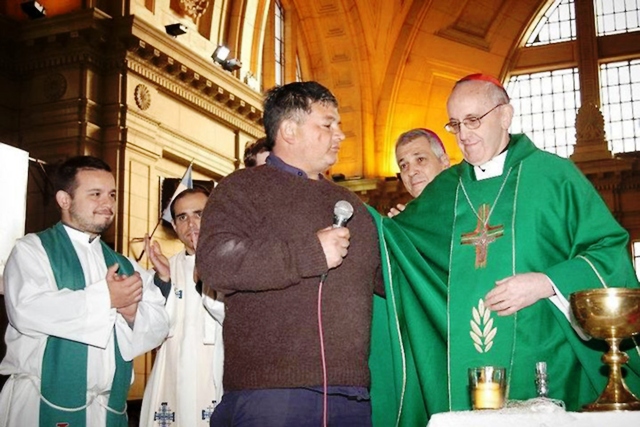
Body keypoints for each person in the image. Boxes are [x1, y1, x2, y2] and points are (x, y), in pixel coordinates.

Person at [369, 74, 640, 425]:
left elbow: (608, 248)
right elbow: (397, 247)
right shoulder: (443, 192)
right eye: (455, 124)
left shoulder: (553, 176)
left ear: (505, 115)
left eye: (473, 120)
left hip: (547, 352)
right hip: (462, 369)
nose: (463, 135)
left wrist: (547, 282)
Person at [196, 81, 382, 427]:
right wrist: (310, 253)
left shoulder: (355, 205)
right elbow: (216, 263)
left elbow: (394, 280)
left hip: (351, 395)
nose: (339, 135)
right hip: (271, 393)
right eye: (327, 125)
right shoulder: (241, 188)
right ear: (289, 130)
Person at [0, 155, 169, 427]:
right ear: (64, 200)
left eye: (112, 194)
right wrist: (107, 299)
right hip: (41, 402)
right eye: (96, 194)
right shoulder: (32, 249)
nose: (108, 204)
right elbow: (26, 309)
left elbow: (161, 323)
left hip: (107, 408)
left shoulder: (124, 263)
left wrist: (131, 315)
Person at [139, 187, 225, 426]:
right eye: (182, 217)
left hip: (216, 371)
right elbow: (149, 330)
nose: (192, 224)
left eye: (199, 213)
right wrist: (163, 281)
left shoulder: (234, 263)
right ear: (175, 226)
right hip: (172, 372)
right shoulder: (164, 268)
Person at [388, 128, 449, 217]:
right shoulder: (405, 219)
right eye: (404, 165)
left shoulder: (468, 203)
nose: (411, 172)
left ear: (444, 162)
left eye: (420, 159)